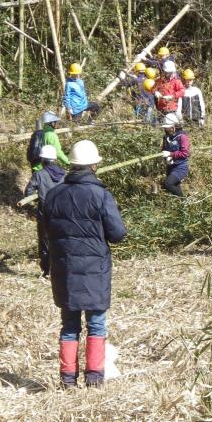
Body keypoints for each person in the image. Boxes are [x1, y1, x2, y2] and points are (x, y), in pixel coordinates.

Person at [42, 140, 127, 388]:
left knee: (69, 327)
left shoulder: (54, 194)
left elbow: (47, 232)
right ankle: (94, 379)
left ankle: (67, 381)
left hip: (64, 270)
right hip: (95, 271)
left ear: (71, 164)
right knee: (96, 325)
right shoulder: (100, 194)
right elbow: (118, 233)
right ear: (94, 165)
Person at [24, 145, 65, 277]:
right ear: (54, 159)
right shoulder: (64, 174)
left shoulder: (39, 175)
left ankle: (47, 271)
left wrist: (34, 202)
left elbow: (28, 192)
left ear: (42, 160)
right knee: (61, 240)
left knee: (45, 242)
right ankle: (61, 269)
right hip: (63, 212)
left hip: (45, 213)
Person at [160, 113, 190, 197]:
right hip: (170, 166)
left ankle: (183, 200)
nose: (166, 128)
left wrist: (171, 154)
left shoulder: (182, 136)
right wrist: (166, 157)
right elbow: (164, 149)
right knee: (175, 186)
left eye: (168, 127)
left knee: (168, 184)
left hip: (180, 167)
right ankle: (180, 204)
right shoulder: (166, 137)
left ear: (174, 126)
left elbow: (185, 153)